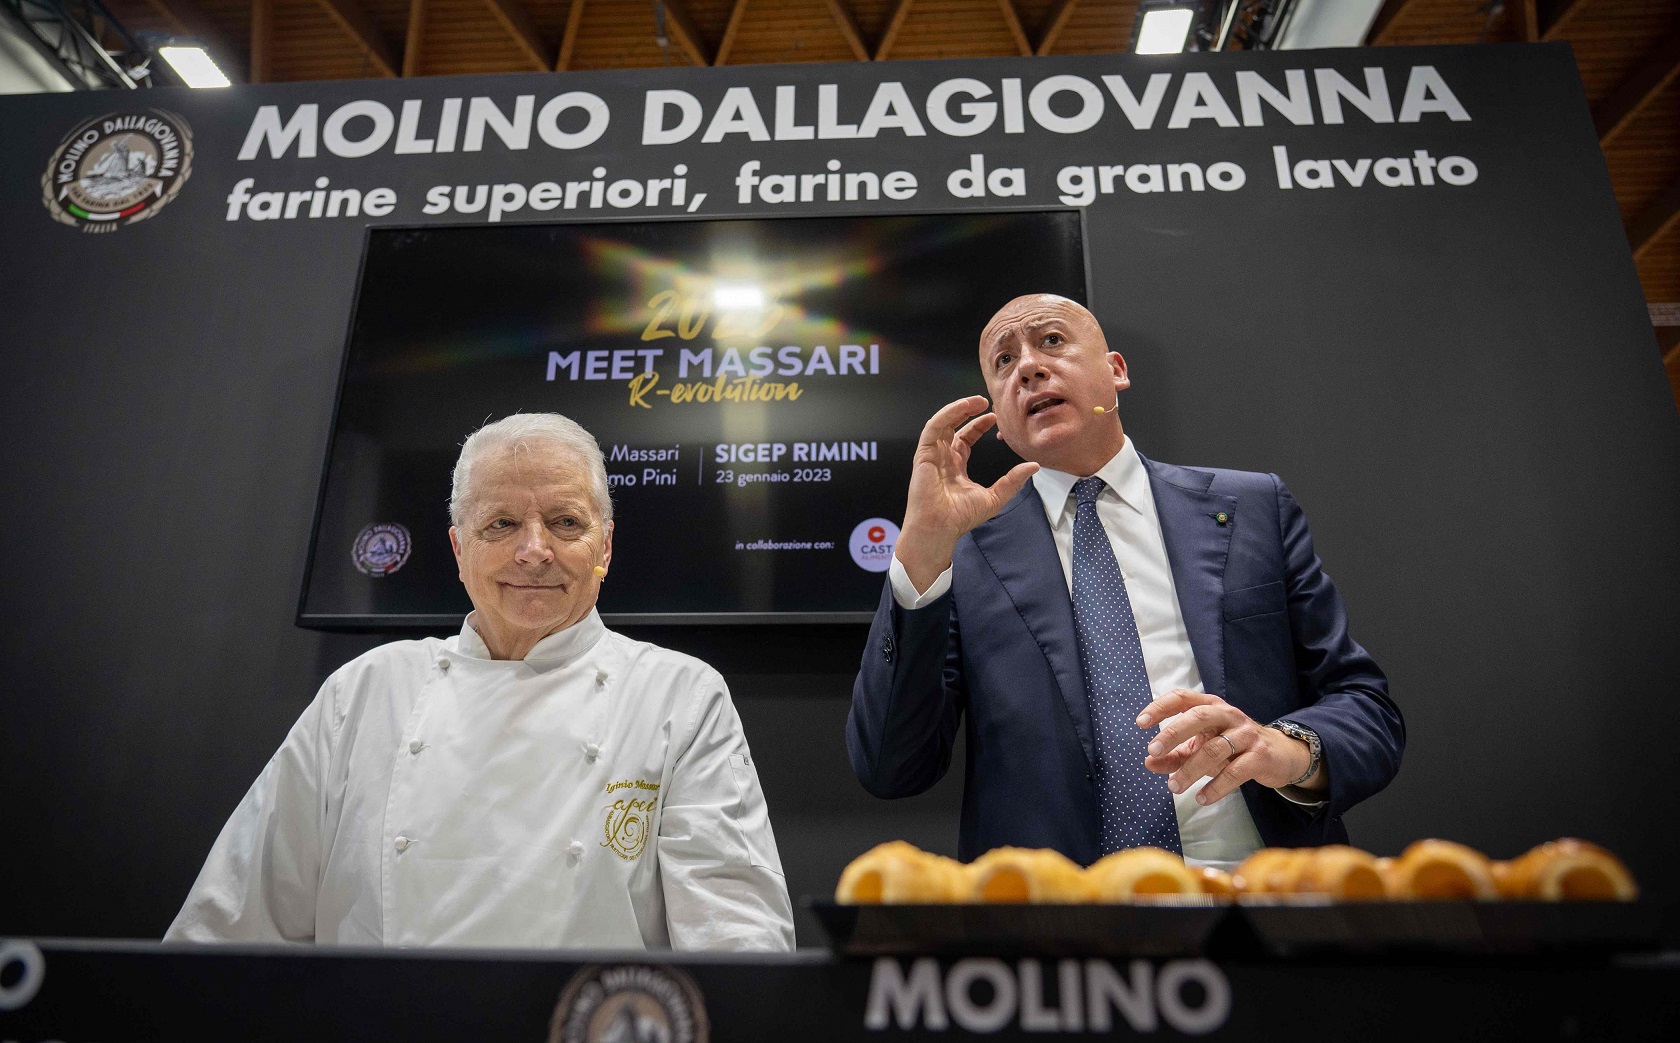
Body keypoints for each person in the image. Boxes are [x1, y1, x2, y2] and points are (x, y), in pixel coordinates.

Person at [168, 413, 794, 949]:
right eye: (500, 525)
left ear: (604, 546)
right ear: (458, 547)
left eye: (565, 523)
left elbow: (738, 940)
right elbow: (231, 926)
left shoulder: (678, 696)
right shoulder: (364, 692)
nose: (534, 550)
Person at [847, 295, 1404, 870]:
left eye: (1052, 342)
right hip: (1064, 920)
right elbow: (890, 768)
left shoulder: (1254, 508)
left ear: (1115, 370)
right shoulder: (962, 558)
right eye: (1004, 361)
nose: (1029, 368)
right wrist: (921, 549)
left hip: (1264, 887)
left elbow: (1366, 709)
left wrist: (1286, 749)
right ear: (996, 414)